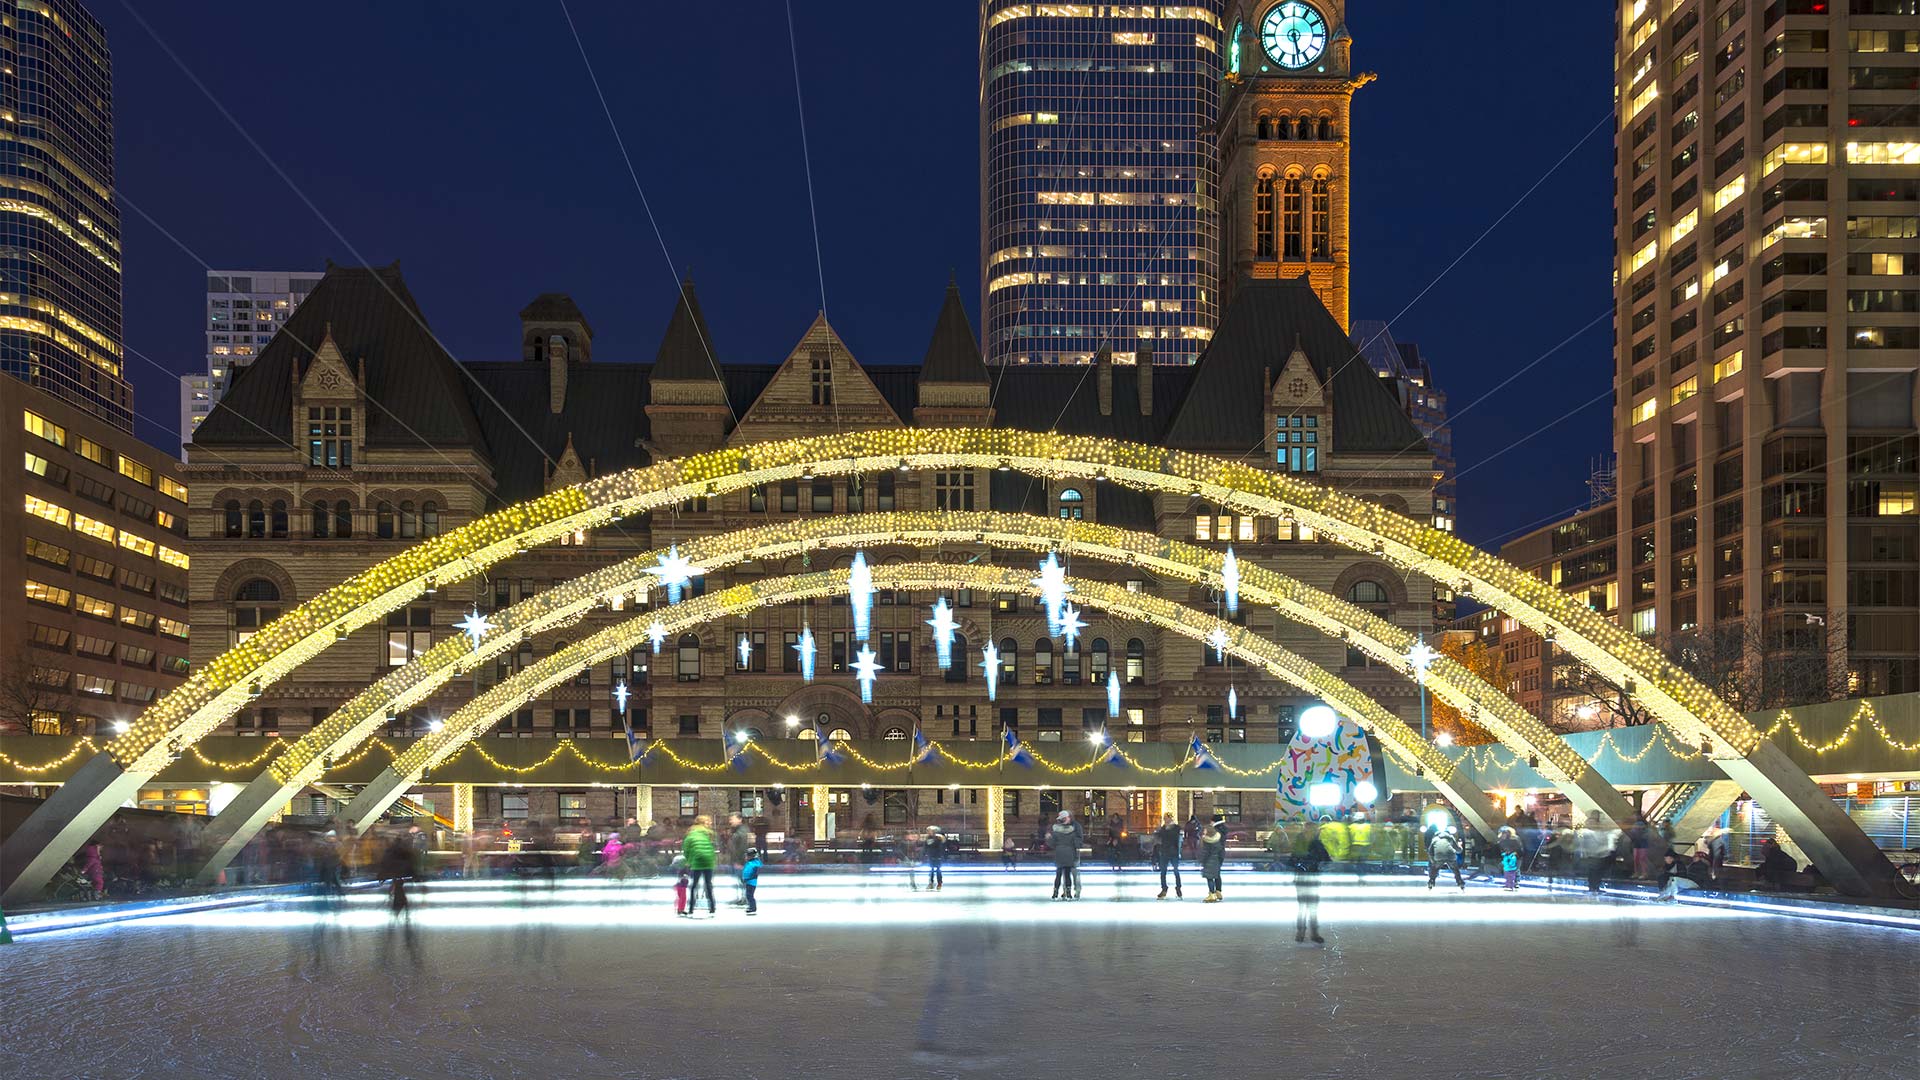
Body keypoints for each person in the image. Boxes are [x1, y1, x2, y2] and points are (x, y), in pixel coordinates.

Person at [1293, 822, 1330, 943]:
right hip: (1311, 877)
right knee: (1311, 906)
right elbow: (1326, 859)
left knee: (1303, 906)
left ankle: (1301, 933)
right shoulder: (1316, 843)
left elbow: (1293, 859)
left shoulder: (1301, 842)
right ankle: (1312, 933)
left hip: (1302, 877)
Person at [682, 814, 718, 915]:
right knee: (708, 884)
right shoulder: (709, 833)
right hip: (708, 861)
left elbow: (686, 848)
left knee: (694, 885)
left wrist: (689, 860)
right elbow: (712, 846)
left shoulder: (691, 833)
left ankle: (691, 908)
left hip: (697, 861)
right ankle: (712, 907)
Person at [1049, 811, 1083, 900]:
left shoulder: (1056, 832)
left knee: (1058, 874)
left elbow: (1052, 844)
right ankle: (1069, 893)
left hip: (1059, 854)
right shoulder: (1072, 831)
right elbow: (1077, 843)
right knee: (1068, 874)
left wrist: (1048, 839)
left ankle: (1055, 892)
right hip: (1070, 854)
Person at [1150, 813, 1183, 899]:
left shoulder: (1176, 828)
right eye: (1164, 818)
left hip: (1173, 852)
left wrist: (1164, 831)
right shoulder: (1163, 828)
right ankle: (1164, 888)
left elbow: (1172, 837)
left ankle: (1178, 887)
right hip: (1164, 852)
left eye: (1166, 818)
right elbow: (1158, 836)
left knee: (1176, 870)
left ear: (1170, 818)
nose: (1165, 820)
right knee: (1163, 871)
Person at [1427, 827, 1465, 891]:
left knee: (1435, 869)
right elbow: (1458, 850)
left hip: (1439, 856)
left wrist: (1433, 861)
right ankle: (1460, 882)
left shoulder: (1434, 839)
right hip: (1450, 855)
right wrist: (1460, 846)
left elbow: (1430, 851)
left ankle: (1431, 881)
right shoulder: (1450, 838)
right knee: (1455, 869)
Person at [1200, 813, 1227, 902]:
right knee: (1217, 873)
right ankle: (1218, 891)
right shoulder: (1223, 829)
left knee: (1211, 875)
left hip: (1213, 855)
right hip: (1220, 853)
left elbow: (1209, 846)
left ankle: (1212, 893)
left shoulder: (1215, 830)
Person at [727, 813, 752, 906]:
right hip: (738, 860)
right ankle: (742, 898)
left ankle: (744, 898)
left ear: (739, 819)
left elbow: (742, 848)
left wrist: (740, 862)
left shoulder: (742, 832)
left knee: (742, 880)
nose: (730, 821)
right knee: (740, 880)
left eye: (732, 819)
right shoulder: (738, 830)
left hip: (741, 861)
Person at [1497, 825, 1523, 891]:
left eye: (1504, 833)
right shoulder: (1501, 842)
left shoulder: (1514, 840)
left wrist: (1514, 853)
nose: (1503, 835)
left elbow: (1519, 849)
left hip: (1516, 857)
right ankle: (1509, 883)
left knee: (1516, 869)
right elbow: (1501, 849)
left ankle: (1516, 882)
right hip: (1507, 857)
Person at [924, 826, 947, 892]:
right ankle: (931, 882)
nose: (928, 832)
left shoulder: (939, 838)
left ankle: (939, 883)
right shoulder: (928, 838)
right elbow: (926, 846)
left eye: (929, 831)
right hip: (930, 856)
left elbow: (943, 844)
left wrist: (941, 854)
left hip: (938, 856)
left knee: (938, 869)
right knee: (931, 870)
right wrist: (924, 854)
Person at [741, 846, 763, 914]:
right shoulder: (751, 863)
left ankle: (752, 907)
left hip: (751, 882)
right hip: (749, 881)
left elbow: (751, 873)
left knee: (749, 895)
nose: (746, 857)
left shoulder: (752, 864)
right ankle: (751, 906)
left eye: (747, 856)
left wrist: (746, 879)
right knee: (749, 895)